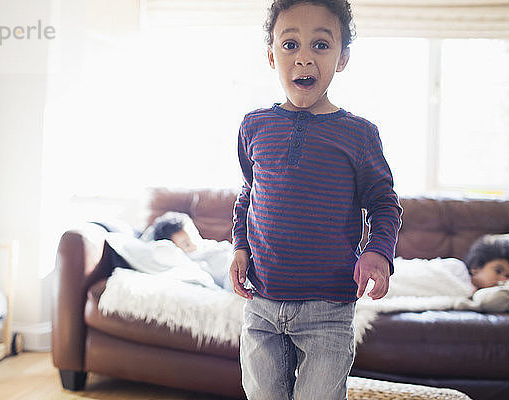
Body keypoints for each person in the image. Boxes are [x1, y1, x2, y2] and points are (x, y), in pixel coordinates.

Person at [229, 1, 403, 399]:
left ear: (342, 58)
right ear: (271, 55)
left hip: (329, 309)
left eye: (320, 46)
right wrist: (239, 246)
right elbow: (248, 192)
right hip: (262, 303)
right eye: (290, 45)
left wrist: (378, 252)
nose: (304, 57)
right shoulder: (254, 126)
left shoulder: (359, 135)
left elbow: (383, 203)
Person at [150, 211, 233, 289]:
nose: (194, 244)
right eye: (186, 244)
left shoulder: (209, 244)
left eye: (194, 236)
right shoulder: (190, 263)